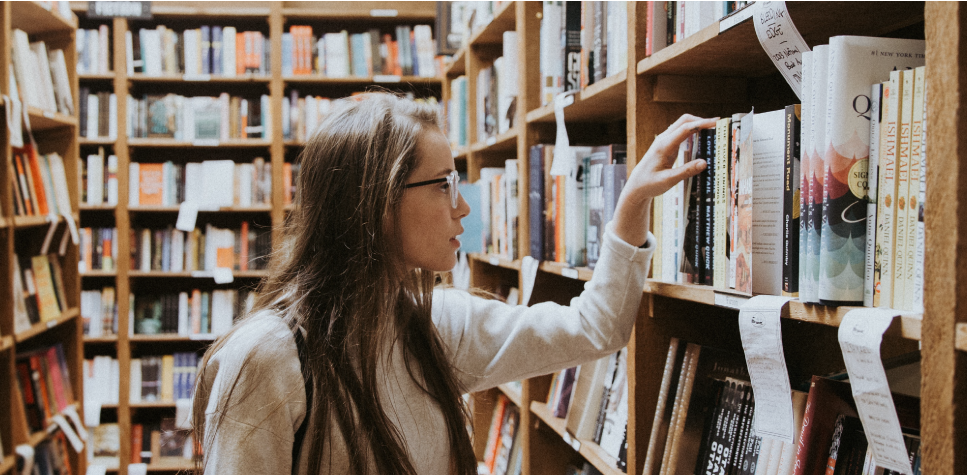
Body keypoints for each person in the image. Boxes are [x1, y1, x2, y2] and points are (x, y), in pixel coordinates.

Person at [192, 92, 715, 475]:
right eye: (444, 185)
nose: (463, 206)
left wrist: (630, 211)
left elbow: (594, 329)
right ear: (377, 202)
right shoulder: (267, 358)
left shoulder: (436, 323)